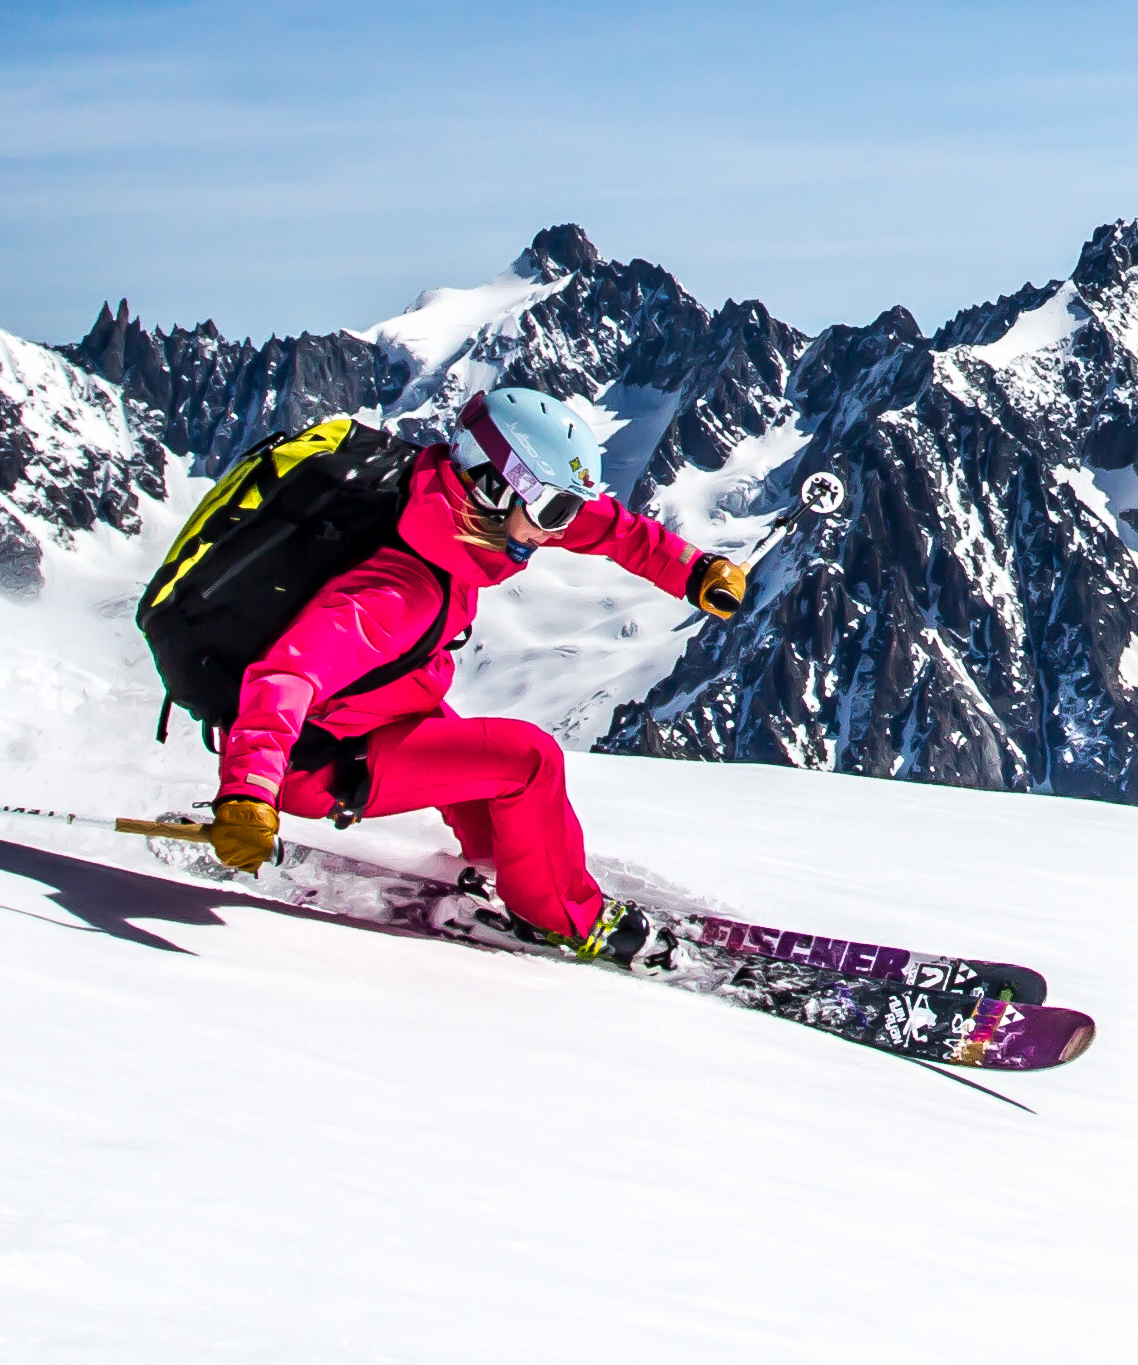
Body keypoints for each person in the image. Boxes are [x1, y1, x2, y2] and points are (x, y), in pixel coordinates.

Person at [202, 385, 750, 956]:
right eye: (551, 511)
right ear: (495, 487)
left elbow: (607, 527)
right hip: (313, 762)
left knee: (496, 813)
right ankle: (563, 920)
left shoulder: (438, 509)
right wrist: (249, 791)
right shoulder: (397, 589)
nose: (555, 531)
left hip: (373, 710)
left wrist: (694, 570)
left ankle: (502, 871)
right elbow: (285, 676)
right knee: (527, 761)